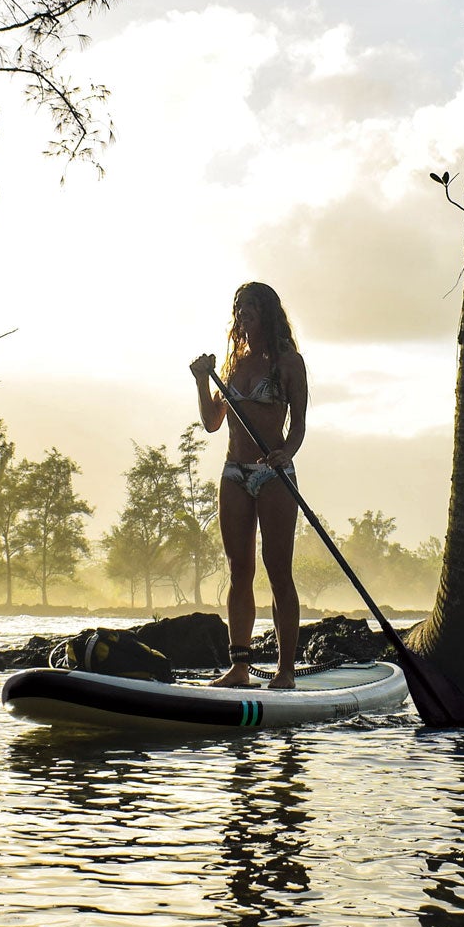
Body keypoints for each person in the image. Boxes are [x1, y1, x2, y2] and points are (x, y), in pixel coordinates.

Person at [190, 282, 307, 690]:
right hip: (234, 473)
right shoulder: (232, 362)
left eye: (251, 307)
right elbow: (211, 422)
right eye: (239, 307)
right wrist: (202, 381)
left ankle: (285, 671)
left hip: (273, 475)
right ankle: (239, 668)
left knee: (278, 571)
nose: (243, 313)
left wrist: (286, 452)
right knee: (240, 570)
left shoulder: (289, 363)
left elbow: (299, 426)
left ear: (268, 313)